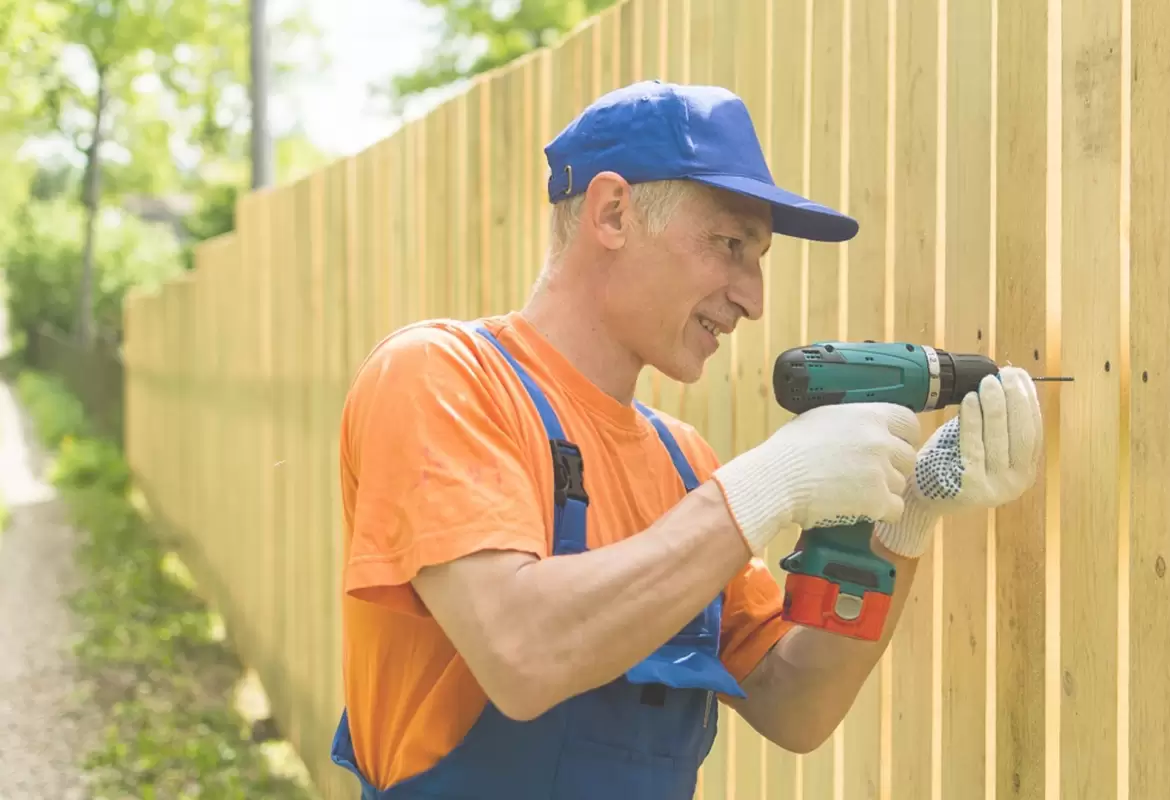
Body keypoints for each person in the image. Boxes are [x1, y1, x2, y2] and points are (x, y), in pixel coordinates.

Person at [328, 80, 1043, 798]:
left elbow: (792, 704)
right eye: (729, 244)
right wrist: (767, 487)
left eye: (757, 257)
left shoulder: (682, 463)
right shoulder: (443, 377)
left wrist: (907, 516)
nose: (753, 298)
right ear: (613, 213)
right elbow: (522, 653)